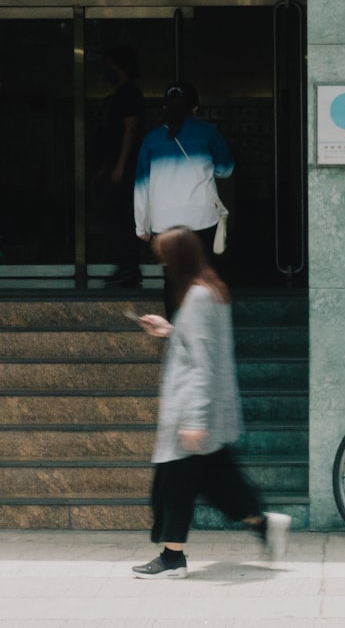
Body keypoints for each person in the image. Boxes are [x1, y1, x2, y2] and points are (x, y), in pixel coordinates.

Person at [130, 226, 290, 579]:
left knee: (173, 485)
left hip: (192, 410)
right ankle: (261, 523)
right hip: (203, 410)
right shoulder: (210, 292)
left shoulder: (199, 298)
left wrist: (194, 420)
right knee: (217, 482)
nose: (162, 266)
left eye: (164, 259)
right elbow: (200, 346)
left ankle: (172, 558)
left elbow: (203, 363)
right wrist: (168, 330)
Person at [135, 82, 234, 318]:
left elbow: (141, 185)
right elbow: (226, 169)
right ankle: (205, 325)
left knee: (172, 280)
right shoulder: (208, 133)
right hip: (202, 218)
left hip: (164, 221)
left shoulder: (151, 139)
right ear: (195, 108)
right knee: (204, 275)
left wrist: (142, 225)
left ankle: (175, 331)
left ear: (164, 109)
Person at [95, 45, 144, 287]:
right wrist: (109, 166)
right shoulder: (121, 94)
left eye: (111, 67)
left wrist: (121, 165)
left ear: (123, 68)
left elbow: (130, 130)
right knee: (114, 216)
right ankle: (126, 266)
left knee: (119, 217)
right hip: (117, 165)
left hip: (125, 166)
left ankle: (129, 267)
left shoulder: (130, 94)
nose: (107, 72)